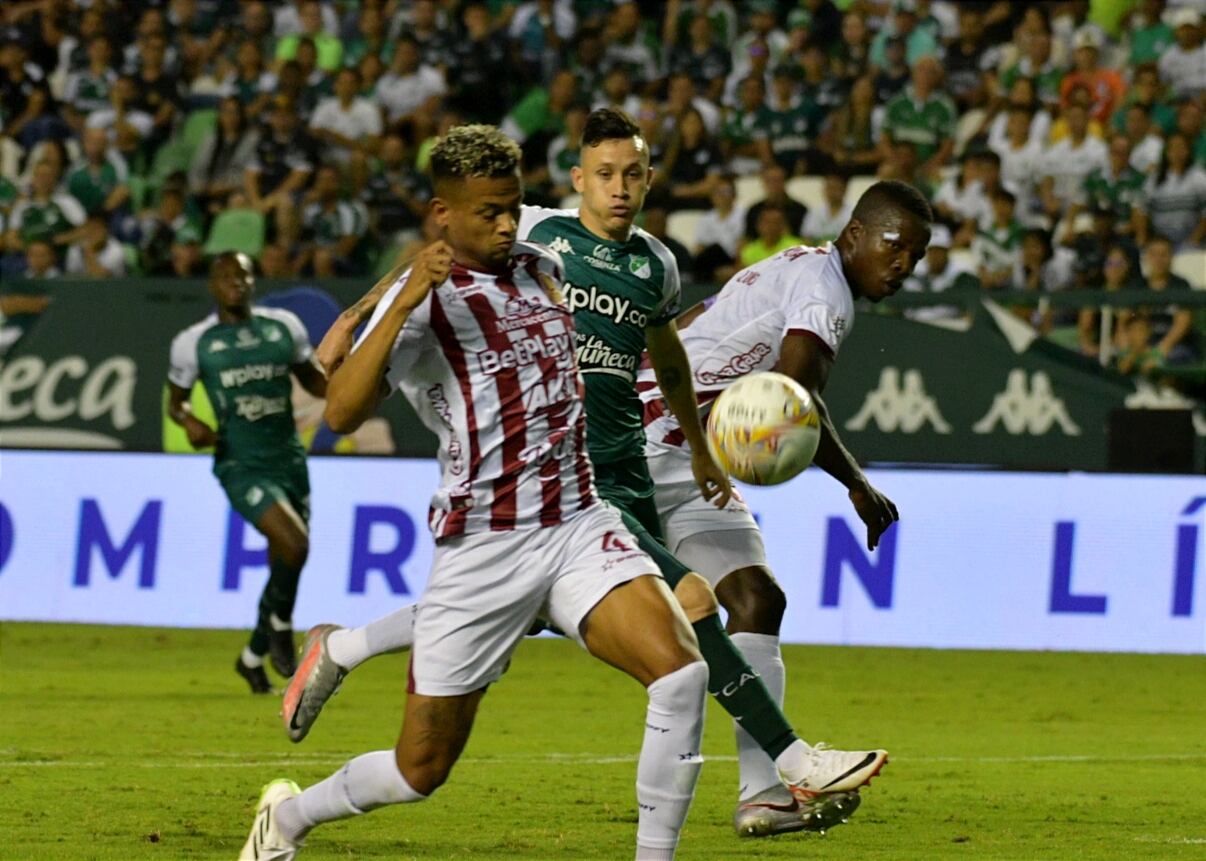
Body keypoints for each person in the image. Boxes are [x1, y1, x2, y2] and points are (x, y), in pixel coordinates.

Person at [291, 110, 886, 840]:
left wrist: (700, 446)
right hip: (543, 493)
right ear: (577, 181)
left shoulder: (637, 265)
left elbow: (668, 352)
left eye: (634, 174)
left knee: (662, 641)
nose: (620, 189)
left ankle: (341, 646)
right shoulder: (541, 232)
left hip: (614, 476)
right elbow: (423, 266)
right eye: (605, 174)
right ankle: (786, 761)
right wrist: (358, 315)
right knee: (688, 605)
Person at [239, 123, 711, 861]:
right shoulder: (427, 299)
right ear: (443, 214)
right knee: (418, 769)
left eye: (511, 207)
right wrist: (393, 303)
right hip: (487, 543)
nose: (503, 223)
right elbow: (339, 412)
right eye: (487, 211)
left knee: (682, 674)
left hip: (579, 520)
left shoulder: (540, 262)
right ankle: (291, 818)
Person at [635, 184, 929, 823]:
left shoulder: (807, 269)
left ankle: (765, 798)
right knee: (529, 604)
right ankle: (362, 646)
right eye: (894, 244)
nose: (905, 262)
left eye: (918, 253)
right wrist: (855, 481)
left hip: (696, 459)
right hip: (647, 448)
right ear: (854, 234)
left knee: (755, 601)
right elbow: (794, 397)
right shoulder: (823, 290)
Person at [167, 252, 327, 694]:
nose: (235, 282)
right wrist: (190, 422)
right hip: (239, 461)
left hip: (289, 458)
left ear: (253, 281)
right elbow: (175, 403)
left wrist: (359, 380)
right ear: (212, 286)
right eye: (225, 275)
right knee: (295, 547)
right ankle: (281, 626)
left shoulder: (283, 327)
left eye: (242, 273)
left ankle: (251, 658)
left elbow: (315, 383)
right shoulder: (194, 342)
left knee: (285, 559)